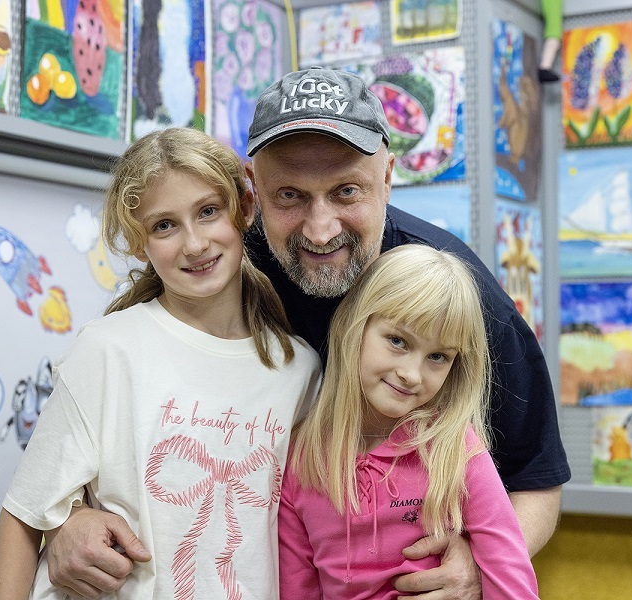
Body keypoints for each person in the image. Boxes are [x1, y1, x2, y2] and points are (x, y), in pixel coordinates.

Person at [44, 67, 570, 599]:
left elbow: (538, 481)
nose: (320, 230)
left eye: (347, 192)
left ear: (388, 176)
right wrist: (68, 517)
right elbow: (111, 407)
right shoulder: (222, 266)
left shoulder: (455, 299)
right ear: (253, 190)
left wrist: (479, 568)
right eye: (290, 196)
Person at [0, 127, 321, 599]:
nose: (195, 244)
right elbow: (24, 515)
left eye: (208, 212)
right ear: (138, 243)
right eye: (165, 225)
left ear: (245, 208)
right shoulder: (107, 350)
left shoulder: (299, 369)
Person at [280, 244, 539, 599]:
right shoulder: (300, 458)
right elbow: (296, 588)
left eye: (438, 356)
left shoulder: (455, 450)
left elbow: (510, 576)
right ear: (355, 326)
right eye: (398, 341)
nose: (412, 374)